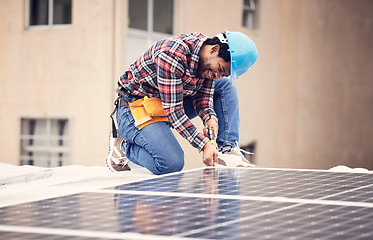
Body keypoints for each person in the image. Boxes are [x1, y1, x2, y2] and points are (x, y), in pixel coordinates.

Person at [106, 31, 257, 175]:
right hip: (135, 107)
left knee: (225, 85)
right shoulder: (172, 55)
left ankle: (226, 149)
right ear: (214, 49)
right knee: (171, 164)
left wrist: (210, 118)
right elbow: (174, 111)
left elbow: (203, 98)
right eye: (221, 69)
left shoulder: (207, 61)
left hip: (165, 103)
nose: (217, 76)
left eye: (223, 74)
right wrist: (204, 144)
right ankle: (125, 145)